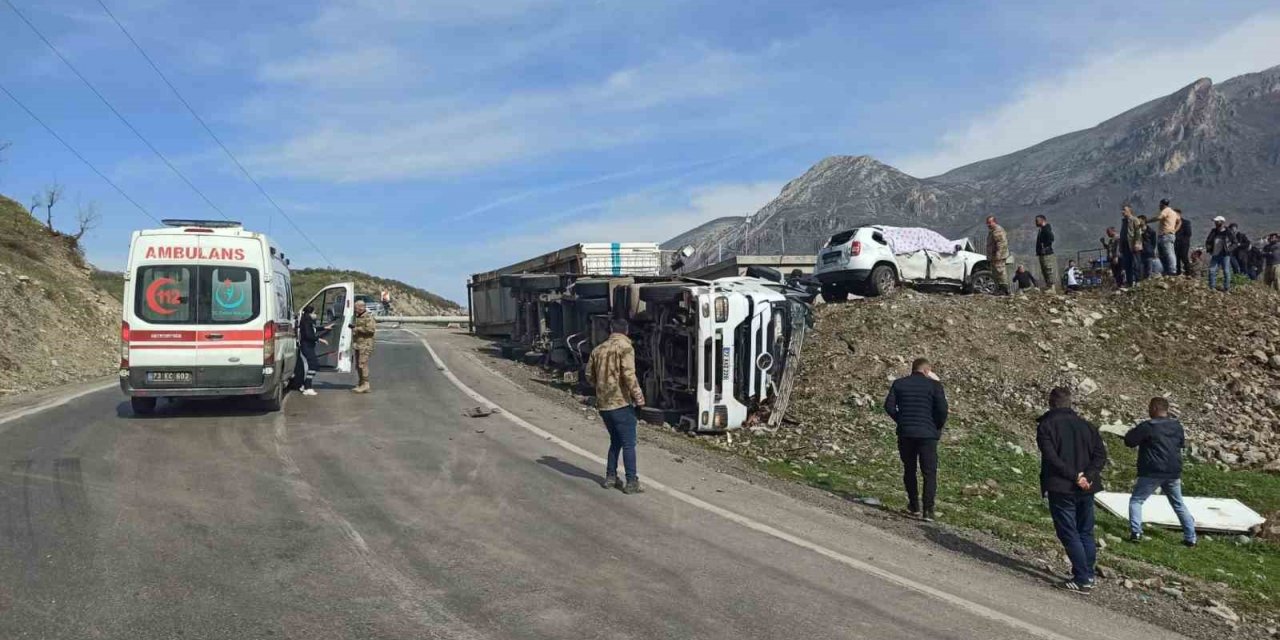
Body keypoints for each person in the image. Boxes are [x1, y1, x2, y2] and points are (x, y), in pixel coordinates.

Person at [1036, 387, 1107, 593]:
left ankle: (1082, 578)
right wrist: (1087, 476)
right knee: (1085, 531)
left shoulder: (1046, 426)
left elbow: (1052, 458)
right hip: (1086, 487)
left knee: (1068, 532)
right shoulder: (1087, 426)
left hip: (1062, 486)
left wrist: (1075, 476)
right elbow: (1100, 455)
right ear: (1070, 403)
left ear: (1051, 403)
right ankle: (1088, 574)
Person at [1123, 397, 1197, 547]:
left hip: (1152, 471)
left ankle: (1136, 532)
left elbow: (1129, 441)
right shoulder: (1177, 426)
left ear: (1155, 408)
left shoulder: (1148, 426)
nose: (1148, 410)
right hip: (1173, 472)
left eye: (1149, 408)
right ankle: (1191, 538)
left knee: (1136, 500)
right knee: (1178, 504)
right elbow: (1181, 444)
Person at [586, 318, 646, 494]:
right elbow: (629, 375)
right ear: (626, 330)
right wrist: (639, 398)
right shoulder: (625, 347)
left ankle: (611, 477)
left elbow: (589, 375)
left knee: (616, 441)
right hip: (621, 403)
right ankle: (631, 481)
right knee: (628, 443)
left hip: (604, 405)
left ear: (611, 330)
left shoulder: (598, 349)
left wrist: (601, 386)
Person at [884, 358, 948, 521]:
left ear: (913, 369)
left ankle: (914, 506)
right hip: (928, 434)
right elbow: (942, 410)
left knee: (909, 469)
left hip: (906, 433)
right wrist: (936, 426)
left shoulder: (899, 384)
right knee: (929, 472)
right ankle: (928, 510)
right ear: (927, 370)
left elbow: (889, 406)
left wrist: (901, 420)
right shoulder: (935, 386)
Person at [297, 304, 327, 396]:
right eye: (314, 312)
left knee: (312, 365)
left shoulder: (307, 321)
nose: (315, 314)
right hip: (306, 346)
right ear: (310, 313)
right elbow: (308, 335)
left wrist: (324, 328)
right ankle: (308, 387)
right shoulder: (306, 322)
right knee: (313, 365)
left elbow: (313, 329)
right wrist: (319, 339)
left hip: (308, 346)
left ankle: (304, 385)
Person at [350, 300, 377, 393]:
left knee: (362, 364)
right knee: (358, 365)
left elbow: (371, 330)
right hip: (358, 344)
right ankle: (361, 383)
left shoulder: (368, 317)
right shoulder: (357, 317)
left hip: (366, 345)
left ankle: (366, 384)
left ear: (361, 307)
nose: (355, 309)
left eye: (356, 307)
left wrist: (357, 329)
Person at [1205, 216, 1237, 292]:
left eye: (1217, 222)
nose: (1215, 223)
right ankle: (1212, 287)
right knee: (1212, 270)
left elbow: (1235, 243)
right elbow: (1208, 241)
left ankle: (1226, 287)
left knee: (1226, 271)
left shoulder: (1228, 232)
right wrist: (1209, 248)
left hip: (1225, 255)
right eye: (1215, 222)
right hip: (1215, 254)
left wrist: (1228, 250)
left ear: (1222, 222)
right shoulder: (1213, 231)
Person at [1154, 200, 1180, 276]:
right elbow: (1179, 221)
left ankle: (1172, 270)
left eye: (1160, 204)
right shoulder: (1173, 212)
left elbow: (1159, 217)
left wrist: (1147, 221)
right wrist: (1174, 230)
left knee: (1169, 253)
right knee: (1162, 254)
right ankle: (1166, 270)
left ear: (1162, 204)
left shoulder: (1166, 210)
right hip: (1164, 235)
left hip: (1166, 235)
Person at [1034, 215, 1059, 293]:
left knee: (1049, 269)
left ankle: (1052, 287)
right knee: (1044, 270)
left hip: (1047, 254)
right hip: (1042, 254)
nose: (1035, 222)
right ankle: (1048, 286)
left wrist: (1045, 247)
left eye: (1037, 221)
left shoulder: (1046, 228)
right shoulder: (1041, 229)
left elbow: (1051, 238)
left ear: (1042, 220)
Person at [985, 216, 1009, 295]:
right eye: (987, 223)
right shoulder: (992, 231)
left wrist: (998, 255)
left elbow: (1001, 244)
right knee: (995, 272)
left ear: (994, 222)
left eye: (990, 222)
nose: (988, 224)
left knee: (1000, 272)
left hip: (998, 256)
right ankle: (999, 289)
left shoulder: (997, 230)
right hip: (994, 256)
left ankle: (1004, 289)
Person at [1120, 205, 1143, 286]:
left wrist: (1137, 243)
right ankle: (1129, 282)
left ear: (1129, 211)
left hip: (1133, 245)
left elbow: (1138, 232)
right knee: (1127, 264)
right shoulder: (1124, 221)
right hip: (1125, 245)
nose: (1122, 211)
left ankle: (1138, 280)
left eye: (1124, 210)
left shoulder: (1134, 220)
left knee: (1136, 263)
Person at [1174, 211, 1192, 277]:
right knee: (1176, 258)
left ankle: (1188, 272)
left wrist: (1180, 238)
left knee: (1184, 257)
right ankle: (1178, 272)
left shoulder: (1186, 222)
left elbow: (1188, 233)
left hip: (1184, 243)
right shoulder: (1172, 223)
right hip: (1175, 243)